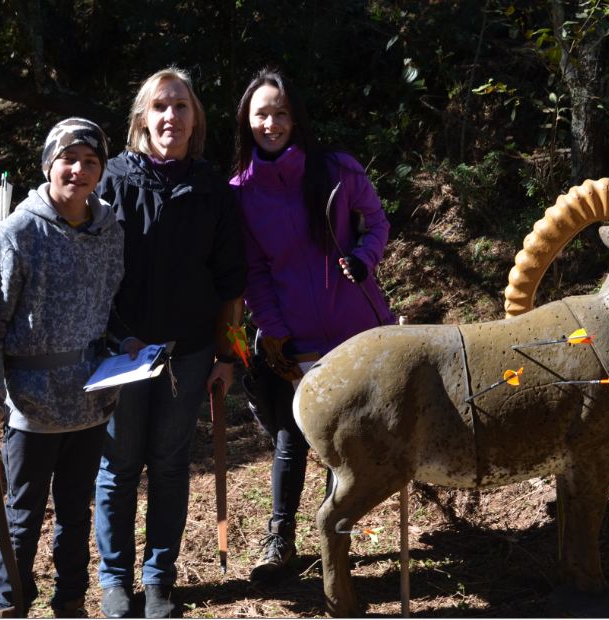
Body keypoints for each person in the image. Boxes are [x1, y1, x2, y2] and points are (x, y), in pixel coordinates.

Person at [230, 68, 395, 583]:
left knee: (342, 441)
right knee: (291, 435)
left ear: (296, 117)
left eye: (281, 113)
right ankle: (279, 539)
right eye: (262, 114)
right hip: (294, 339)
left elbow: (377, 222)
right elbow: (254, 271)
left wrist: (363, 259)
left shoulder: (337, 168)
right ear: (247, 120)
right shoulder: (241, 192)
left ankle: (334, 539)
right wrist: (275, 330)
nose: (272, 123)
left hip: (356, 330)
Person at [94, 67, 246, 619]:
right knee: (118, 465)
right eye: (160, 106)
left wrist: (228, 356)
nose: (171, 117)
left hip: (189, 354)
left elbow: (232, 284)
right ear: (142, 118)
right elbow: (93, 274)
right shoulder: (111, 182)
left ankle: (159, 581)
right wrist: (117, 336)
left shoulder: (213, 192)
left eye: (181, 106)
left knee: (169, 465)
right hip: (123, 353)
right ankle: (115, 582)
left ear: (195, 120)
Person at [0, 117, 124, 618]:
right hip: (29, 407)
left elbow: (111, 305)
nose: (79, 170)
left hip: (89, 402)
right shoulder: (17, 233)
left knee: (75, 513)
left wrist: (126, 348)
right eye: (68, 159)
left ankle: (70, 602)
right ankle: (10, 605)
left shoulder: (109, 231)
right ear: (48, 165)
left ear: (101, 171)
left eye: (91, 161)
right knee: (22, 515)